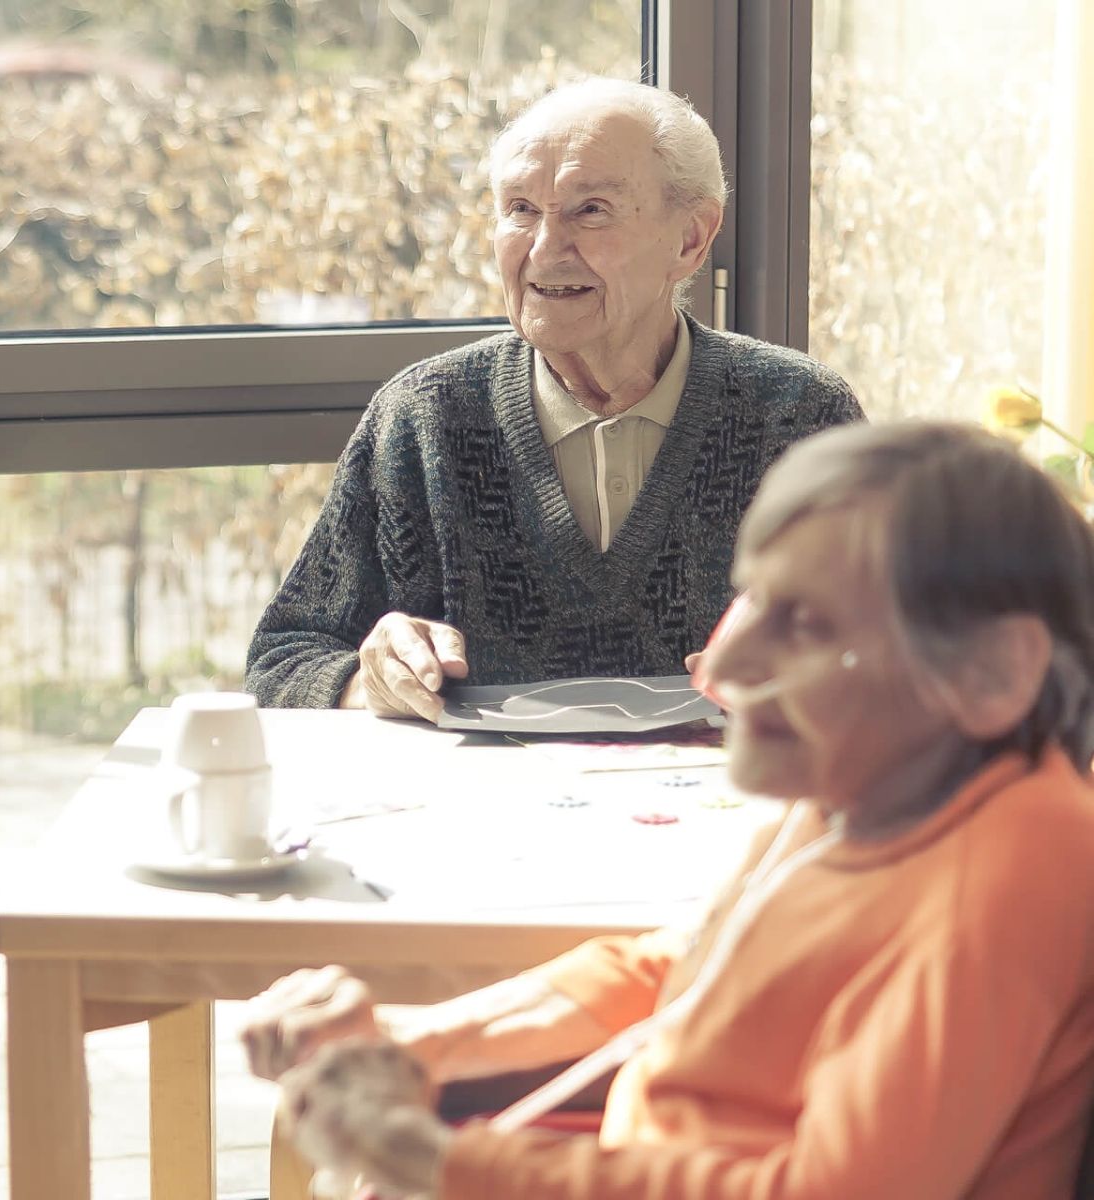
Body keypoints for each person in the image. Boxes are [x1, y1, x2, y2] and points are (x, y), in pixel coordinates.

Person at [240, 421, 1094, 1198]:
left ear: (990, 675)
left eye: (805, 623)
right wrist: (409, 1044)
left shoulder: (1015, 873)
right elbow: (682, 971)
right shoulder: (866, 791)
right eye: (750, 600)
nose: (724, 667)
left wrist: (440, 1164)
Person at [244, 78, 863, 722]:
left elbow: (901, 653)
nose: (543, 249)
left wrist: (826, 669)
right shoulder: (423, 416)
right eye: (520, 209)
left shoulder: (799, 414)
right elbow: (283, 661)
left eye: (590, 210)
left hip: (725, 787)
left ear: (690, 238)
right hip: (482, 792)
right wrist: (370, 681)